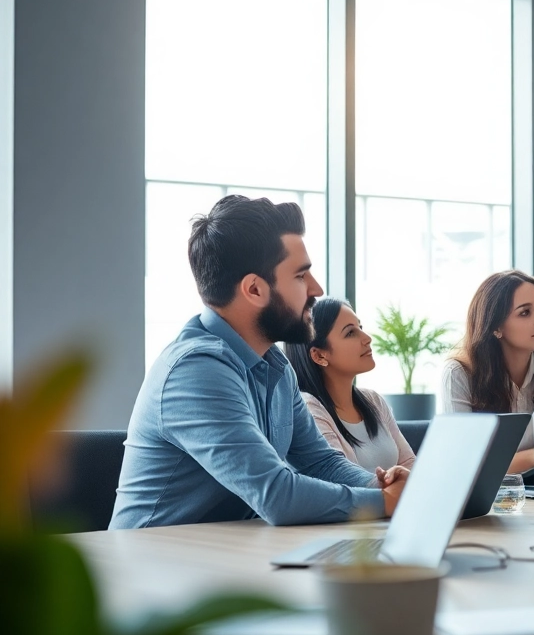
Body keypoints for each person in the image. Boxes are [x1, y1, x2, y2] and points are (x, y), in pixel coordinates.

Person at [112, 196, 407, 529]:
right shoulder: (195, 369)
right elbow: (276, 496)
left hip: (228, 549)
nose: (316, 289)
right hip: (152, 554)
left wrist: (382, 485)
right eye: (301, 276)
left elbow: (320, 463)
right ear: (254, 289)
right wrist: (385, 501)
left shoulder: (276, 367)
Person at [440, 270, 534, 474]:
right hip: (485, 492)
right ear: (496, 328)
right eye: (525, 312)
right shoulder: (459, 373)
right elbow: (463, 465)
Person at [284, 298, 416, 474]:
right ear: (319, 355)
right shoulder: (307, 409)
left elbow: (410, 463)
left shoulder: (373, 400)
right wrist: (397, 484)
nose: (367, 338)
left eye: (360, 328)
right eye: (350, 333)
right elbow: (339, 478)